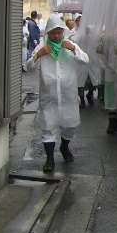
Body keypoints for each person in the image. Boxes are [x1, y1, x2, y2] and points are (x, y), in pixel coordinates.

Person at [25, 14, 90, 172]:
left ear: (63, 32)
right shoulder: (42, 47)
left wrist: (73, 49)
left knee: (69, 125)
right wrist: (38, 55)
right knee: (48, 126)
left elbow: (85, 60)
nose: (56, 36)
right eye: (53, 33)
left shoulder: (69, 45)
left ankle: (65, 147)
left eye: (58, 33)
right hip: (49, 95)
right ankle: (49, 158)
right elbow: (29, 67)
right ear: (48, 33)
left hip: (68, 94)